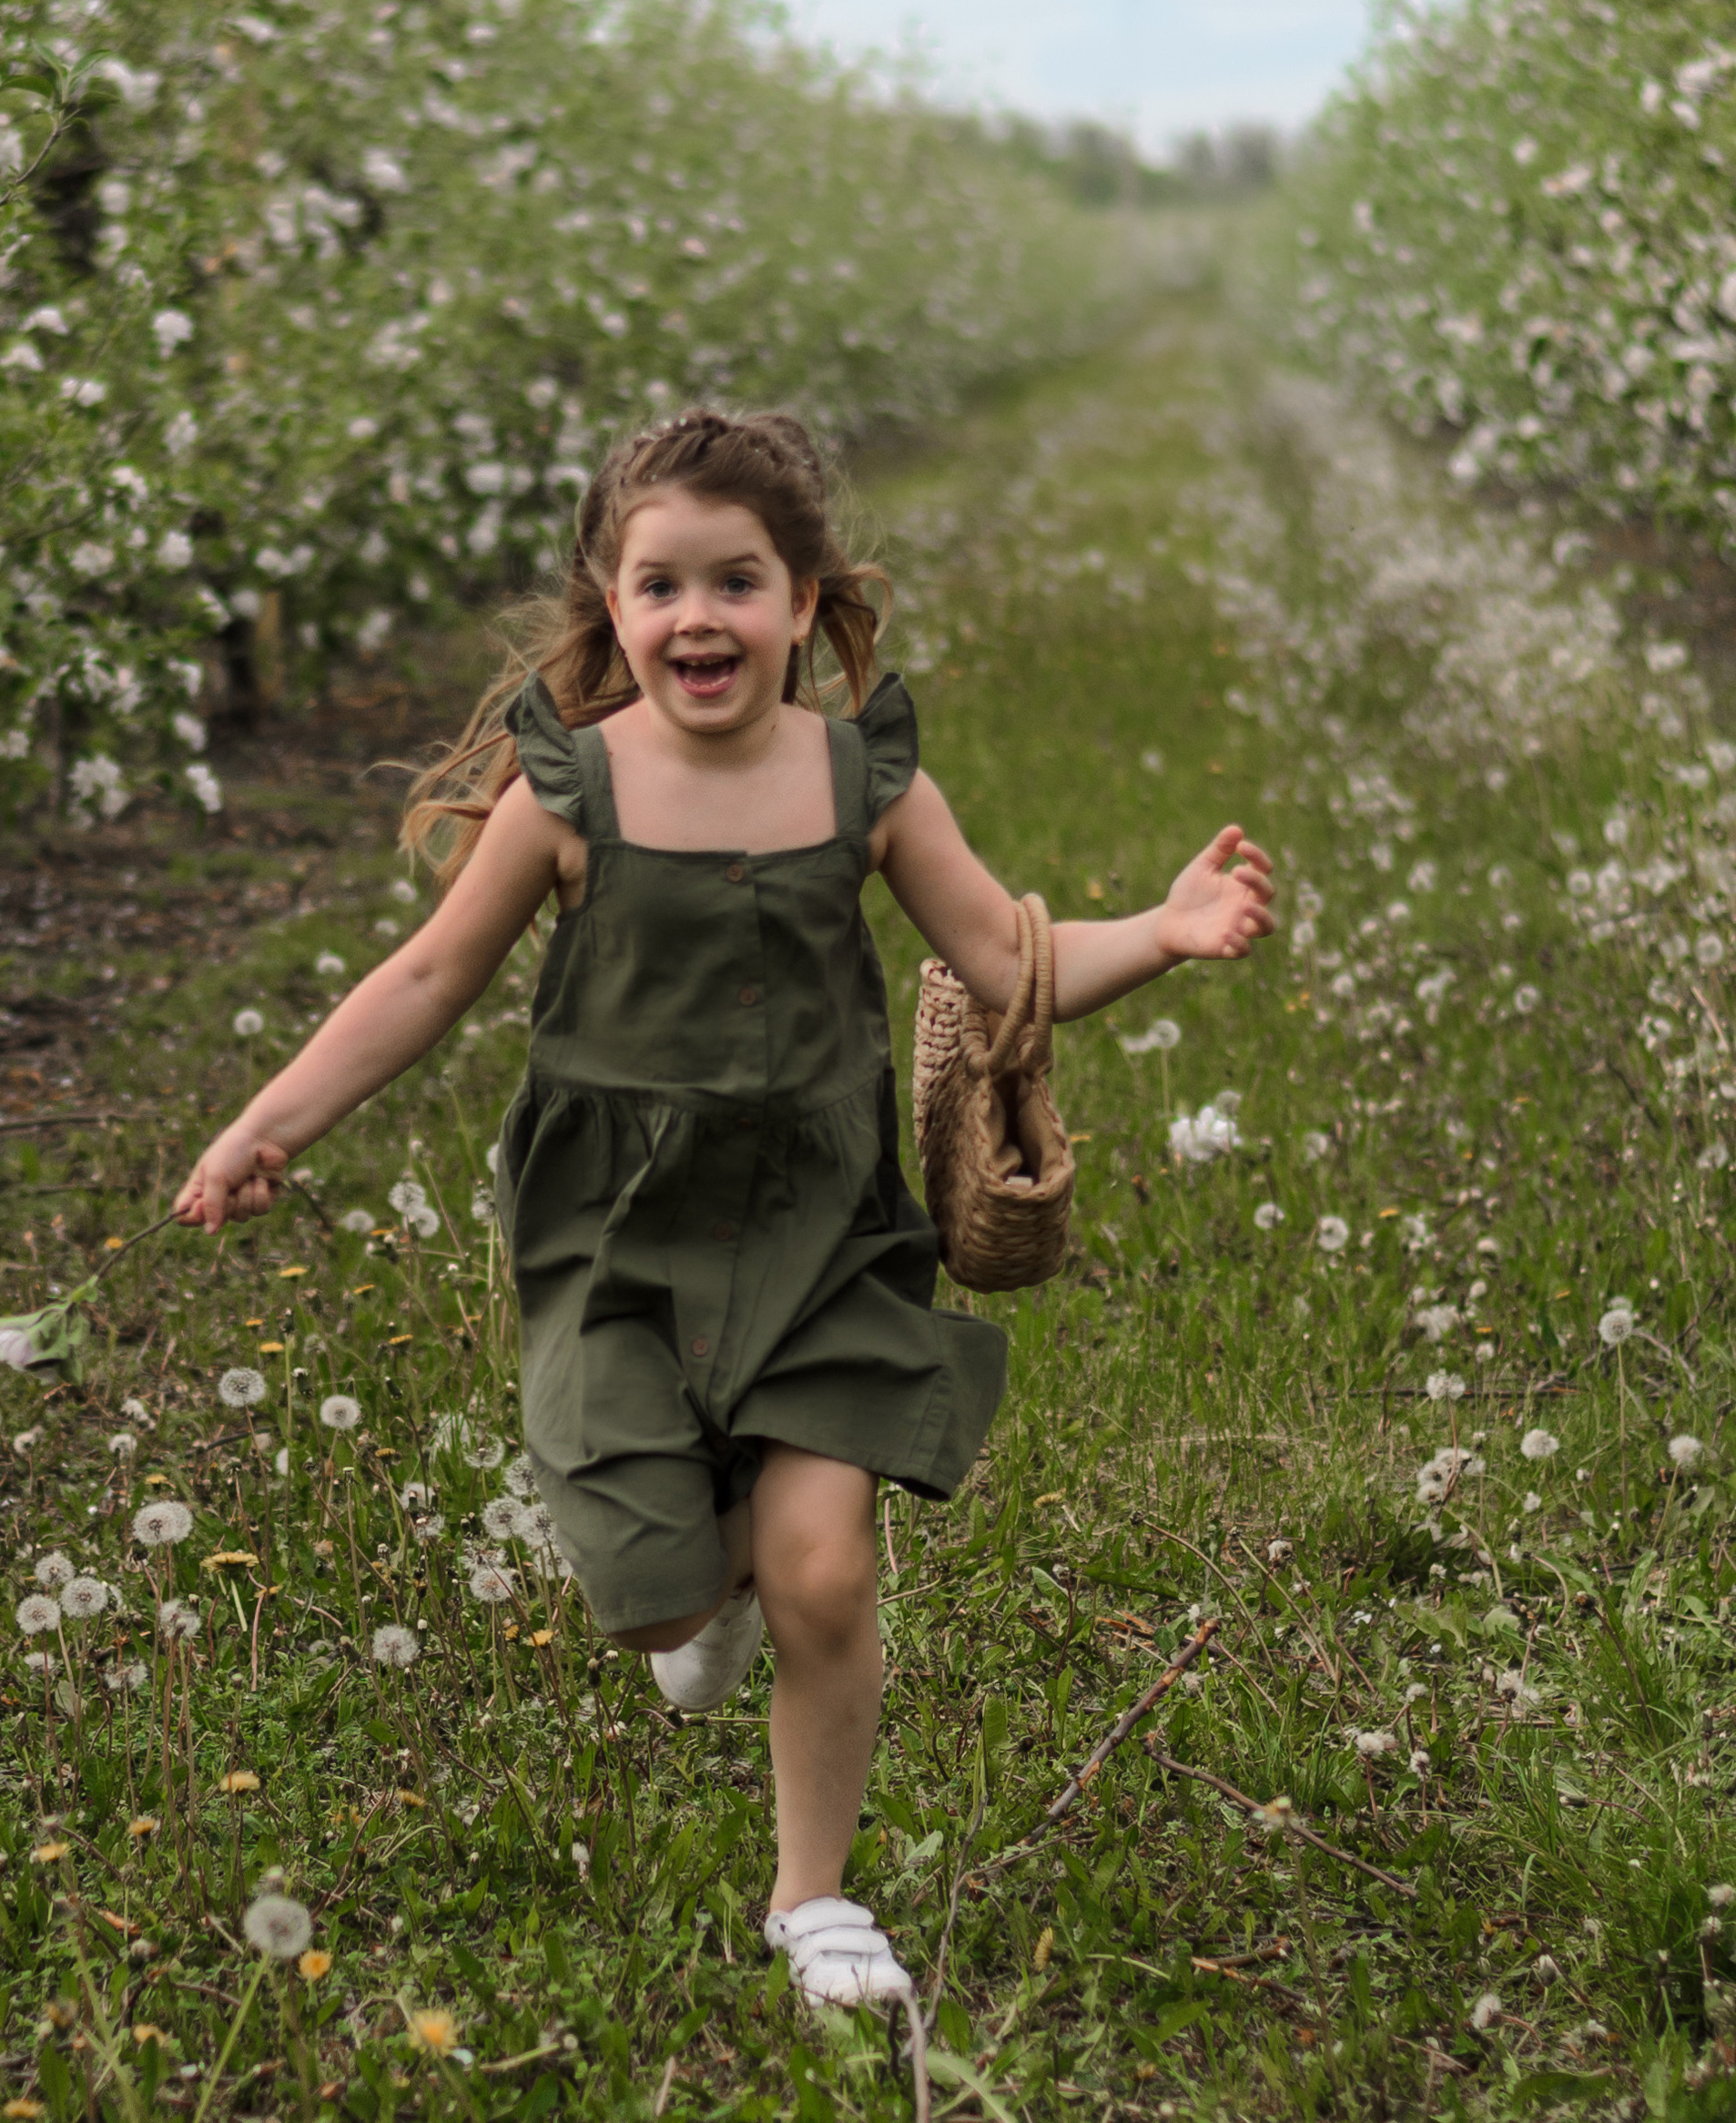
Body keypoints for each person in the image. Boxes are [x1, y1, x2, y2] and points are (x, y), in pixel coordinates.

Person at [177, 407, 1273, 2006]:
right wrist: (268, 1124)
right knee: (661, 1600)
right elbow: (425, 978)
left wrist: (1161, 933)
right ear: (613, 611)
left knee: (824, 1567)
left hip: (824, 1231)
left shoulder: (864, 783)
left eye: (740, 582)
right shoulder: (567, 795)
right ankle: (708, 1598)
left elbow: (1002, 961)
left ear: (808, 601)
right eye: (662, 585)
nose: (701, 616)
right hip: (617, 1240)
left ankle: (811, 1899)